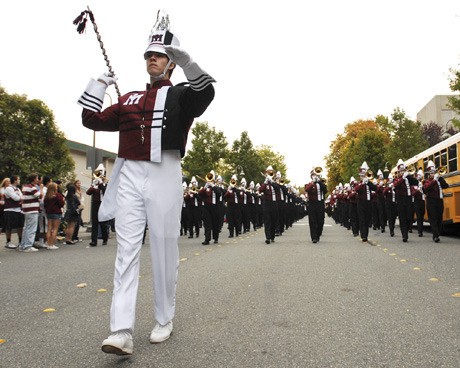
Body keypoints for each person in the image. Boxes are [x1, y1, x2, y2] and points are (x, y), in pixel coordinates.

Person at [78, 20, 215, 355]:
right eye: (149, 55)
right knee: (126, 252)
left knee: (165, 247)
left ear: (169, 61)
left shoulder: (181, 94)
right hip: (129, 175)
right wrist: (98, 85)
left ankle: (164, 317)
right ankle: (121, 330)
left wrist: (187, 62)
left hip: (165, 171)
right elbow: (91, 120)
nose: (152, 59)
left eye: (159, 55)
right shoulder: (129, 97)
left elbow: (207, 93)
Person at [423, 160, 449, 242]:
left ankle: (437, 233)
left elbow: (446, 186)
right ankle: (435, 235)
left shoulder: (439, 179)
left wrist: (440, 179)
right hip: (431, 201)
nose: (433, 174)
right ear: (428, 173)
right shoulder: (426, 181)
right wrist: (434, 180)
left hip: (439, 201)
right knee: (433, 218)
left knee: (439, 218)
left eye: (434, 172)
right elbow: (426, 188)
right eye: (431, 172)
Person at [393, 159, 418, 242]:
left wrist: (410, 176)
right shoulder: (397, 179)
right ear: (398, 172)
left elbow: (416, 182)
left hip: (408, 199)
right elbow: (396, 185)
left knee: (409, 216)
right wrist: (403, 178)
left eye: (403, 170)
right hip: (400, 200)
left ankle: (406, 229)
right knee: (402, 217)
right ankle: (404, 235)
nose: (402, 172)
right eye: (401, 171)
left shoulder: (408, 178)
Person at [353, 162, 377, 242]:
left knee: (367, 219)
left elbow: (375, 189)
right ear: (359, 177)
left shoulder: (369, 183)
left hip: (368, 203)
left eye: (364, 176)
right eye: (361, 176)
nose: (363, 177)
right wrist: (362, 183)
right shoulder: (358, 183)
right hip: (360, 203)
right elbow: (356, 190)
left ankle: (365, 234)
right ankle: (364, 236)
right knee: (362, 219)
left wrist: (369, 183)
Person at [18, 173, 42, 252]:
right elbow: (40, 196)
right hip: (32, 210)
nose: (38, 179)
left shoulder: (25, 187)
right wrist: (41, 188)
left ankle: (23, 245)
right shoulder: (32, 188)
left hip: (26, 209)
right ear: (34, 179)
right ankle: (28, 246)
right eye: (37, 178)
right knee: (31, 228)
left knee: (26, 228)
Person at [304, 167, 327, 243]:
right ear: (311, 176)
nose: (315, 176)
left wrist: (319, 182)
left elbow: (325, 190)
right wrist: (313, 182)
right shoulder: (308, 184)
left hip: (320, 203)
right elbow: (307, 190)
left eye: (316, 174)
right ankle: (314, 237)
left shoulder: (321, 183)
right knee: (312, 220)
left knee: (321, 220)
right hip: (312, 204)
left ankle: (318, 234)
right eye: (313, 175)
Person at [86, 172, 108, 246]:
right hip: (95, 204)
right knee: (94, 223)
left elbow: (105, 193)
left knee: (103, 223)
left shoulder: (105, 185)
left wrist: (101, 184)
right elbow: (88, 193)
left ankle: (105, 239)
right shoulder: (95, 185)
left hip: (102, 204)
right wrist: (93, 185)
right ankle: (94, 241)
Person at [258, 166, 278, 244]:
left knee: (273, 221)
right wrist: (265, 182)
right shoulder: (265, 184)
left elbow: (277, 189)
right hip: (266, 204)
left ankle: (272, 236)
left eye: (271, 172)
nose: (270, 173)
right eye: (268, 172)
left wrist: (272, 181)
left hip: (274, 204)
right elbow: (260, 190)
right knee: (267, 221)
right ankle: (268, 237)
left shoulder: (275, 183)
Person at [3, 175, 24, 249]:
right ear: (15, 180)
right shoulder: (9, 188)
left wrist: (21, 198)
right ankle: (8, 242)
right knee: (9, 227)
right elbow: (15, 198)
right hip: (10, 209)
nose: (19, 180)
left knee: (20, 226)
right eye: (18, 179)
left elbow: (22, 197)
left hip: (18, 209)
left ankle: (20, 241)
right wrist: (20, 198)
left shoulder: (18, 189)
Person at [43, 182, 64, 250]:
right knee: (55, 229)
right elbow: (61, 204)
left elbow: (45, 205)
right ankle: (51, 244)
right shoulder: (57, 195)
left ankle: (48, 243)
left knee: (49, 228)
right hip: (56, 212)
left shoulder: (47, 196)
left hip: (49, 213)